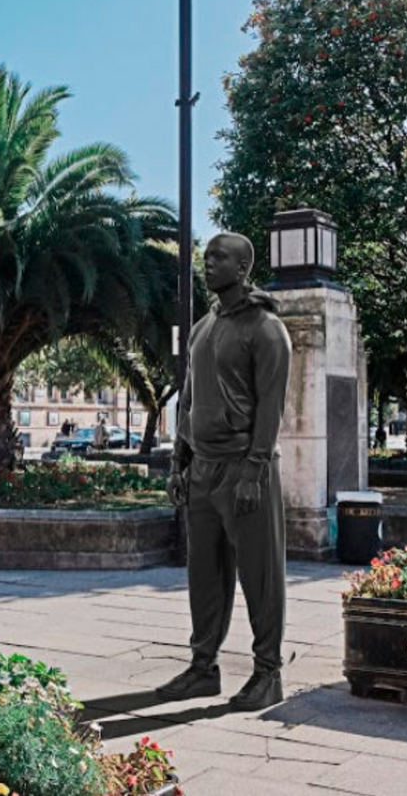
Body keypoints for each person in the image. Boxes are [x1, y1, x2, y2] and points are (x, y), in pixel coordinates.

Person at [160, 232, 292, 712]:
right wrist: (179, 462)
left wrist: (254, 470)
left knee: (260, 576)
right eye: (207, 255)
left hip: (245, 468)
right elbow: (188, 400)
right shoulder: (202, 328)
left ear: (242, 268)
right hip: (202, 469)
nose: (208, 262)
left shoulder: (267, 329)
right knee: (204, 575)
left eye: (219, 257)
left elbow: (272, 407)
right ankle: (203, 668)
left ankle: (268, 673)